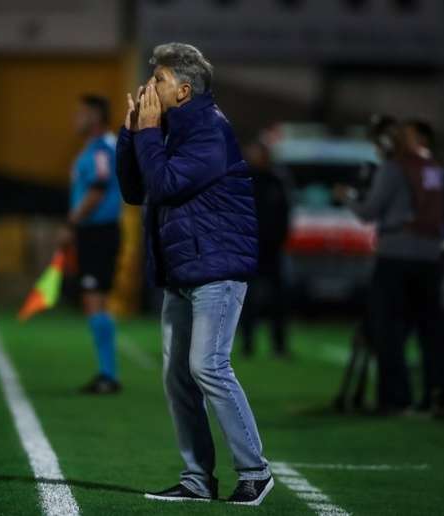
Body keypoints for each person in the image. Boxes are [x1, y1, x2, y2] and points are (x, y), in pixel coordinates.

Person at [116, 42, 273, 506]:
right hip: (185, 269)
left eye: (159, 81)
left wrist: (146, 133)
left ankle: (255, 471)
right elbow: (133, 190)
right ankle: (198, 479)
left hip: (216, 268)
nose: (149, 88)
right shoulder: (168, 129)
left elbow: (163, 184)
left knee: (208, 365)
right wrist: (131, 133)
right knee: (178, 377)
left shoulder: (208, 132)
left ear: (183, 91)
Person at [335, 115, 444, 414]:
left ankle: (396, 398)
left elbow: (369, 212)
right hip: (430, 257)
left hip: (396, 255)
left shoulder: (393, 168)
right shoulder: (433, 168)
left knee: (389, 329)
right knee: (430, 330)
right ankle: (438, 394)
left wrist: (348, 197)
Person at [60, 94, 122, 395]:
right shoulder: (94, 149)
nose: (76, 119)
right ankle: (106, 373)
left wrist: (71, 222)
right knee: (92, 299)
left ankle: (108, 375)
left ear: (95, 116)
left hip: (99, 231)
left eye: (81, 114)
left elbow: (98, 190)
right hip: (94, 232)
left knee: (95, 299)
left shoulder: (101, 150)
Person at [239, 134, 291, 358]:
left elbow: (285, 214)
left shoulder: (276, 181)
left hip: (272, 250)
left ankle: (279, 345)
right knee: (246, 300)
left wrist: (280, 239)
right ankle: (247, 344)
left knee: (277, 300)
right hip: (249, 248)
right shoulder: (243, 180)